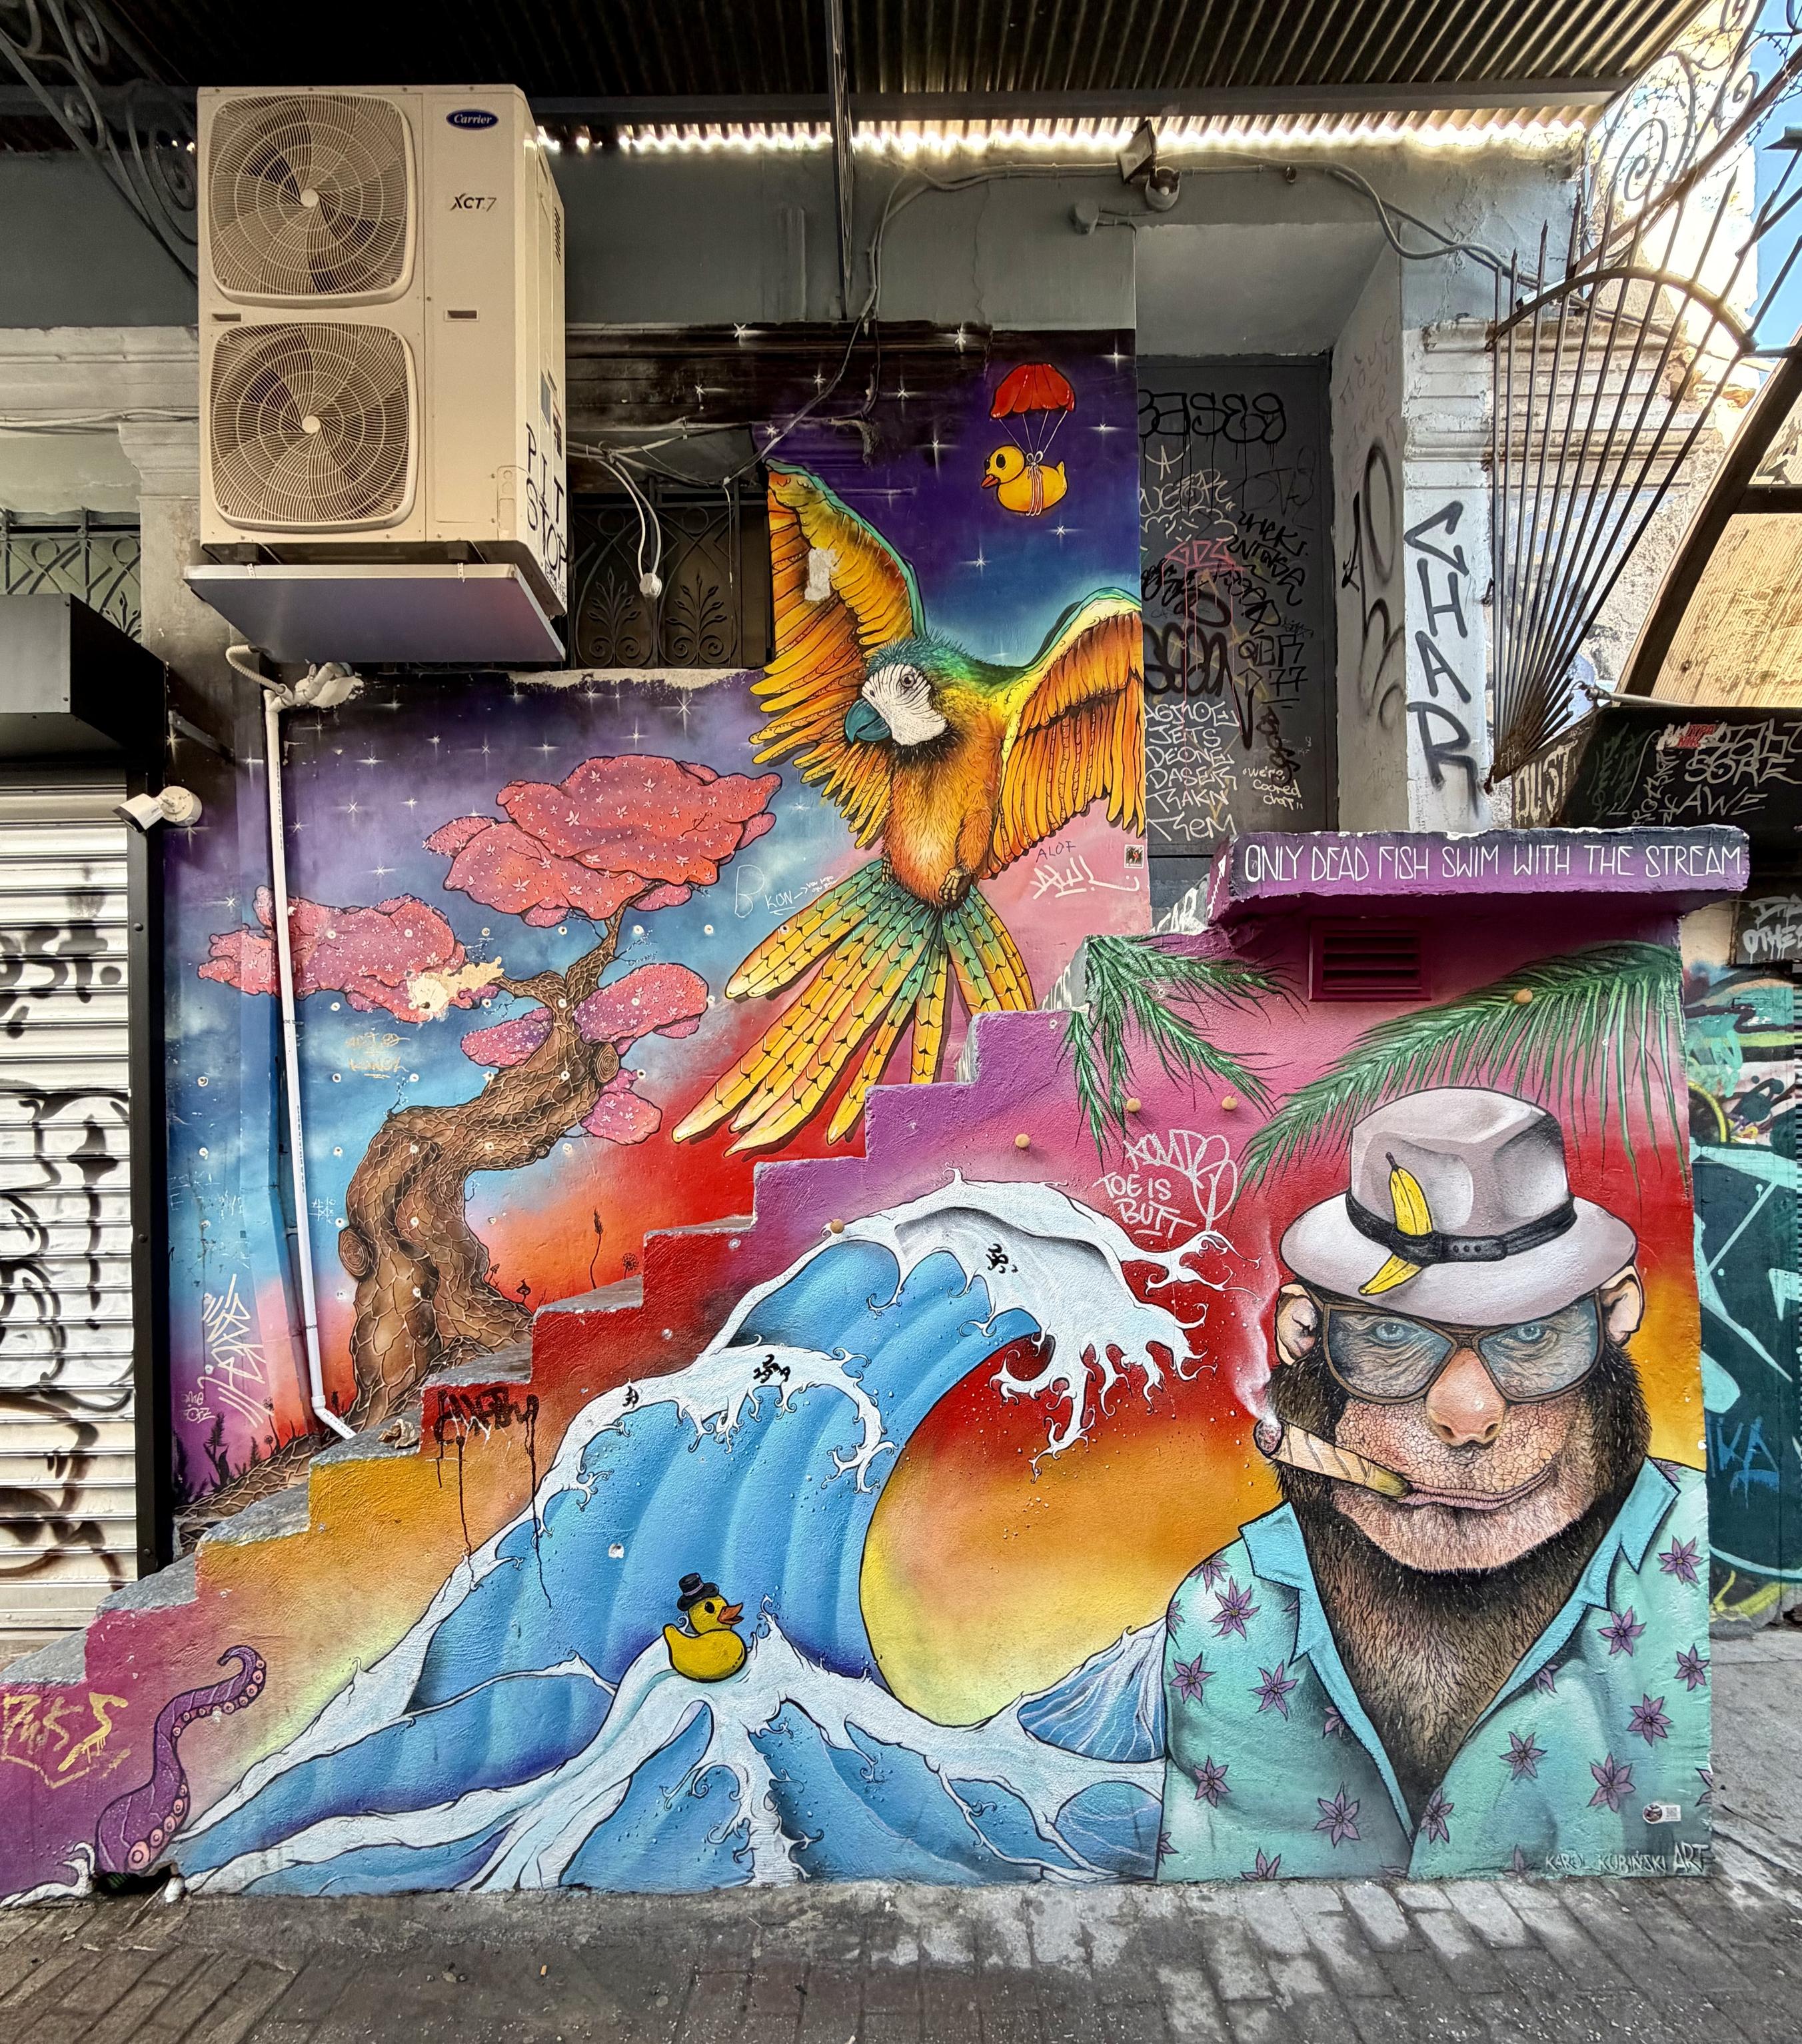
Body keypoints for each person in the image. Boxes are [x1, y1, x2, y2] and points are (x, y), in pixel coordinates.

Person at [1160, 1089, 1709, 1880]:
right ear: (1302, 1332)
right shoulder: (1230, 1612)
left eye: (1531, 1334)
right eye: (1390, 1333)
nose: (1467, 1416)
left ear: (1615, 1315)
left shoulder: (1677, 1554)